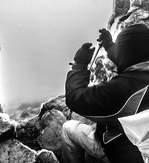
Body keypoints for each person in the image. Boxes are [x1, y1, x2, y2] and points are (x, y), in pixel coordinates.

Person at [61, 24, 149, 163]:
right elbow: (130, 56)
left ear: (126, 53)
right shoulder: (141, 67)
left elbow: (75, 98)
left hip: (129, 155)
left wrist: (79, 65)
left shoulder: (122, 89)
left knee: (68, 128)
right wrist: (108, 44)